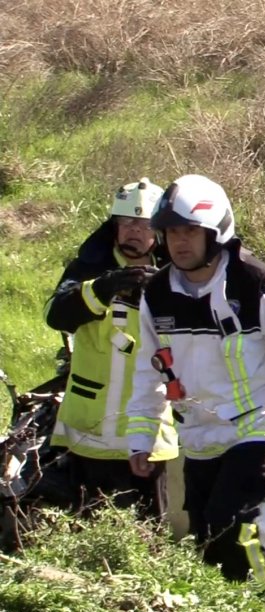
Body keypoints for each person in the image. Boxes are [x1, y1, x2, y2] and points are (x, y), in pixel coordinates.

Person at [125, 174, 265, 583]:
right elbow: (148, 371)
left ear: (215, 232)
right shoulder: (156, 295)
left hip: (257, 429)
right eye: (172, 232)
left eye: (190, 231)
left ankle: (261, 607)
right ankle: (228, 611)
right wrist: (140, 437)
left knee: (238, 529)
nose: (180, 242)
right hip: (199, 437)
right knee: (208, 542)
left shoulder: (260, 286)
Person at [45, 178, 178, 517]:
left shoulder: (175, 274)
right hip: (89, 433)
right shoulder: (89, 268)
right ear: (114, 226)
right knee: (88, 526)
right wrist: (101, 290)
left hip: (148, 433)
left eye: (144, 224)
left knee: (148, 532)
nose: (135, 231)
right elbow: (55, 315)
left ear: (158, 231)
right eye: (127, 222)